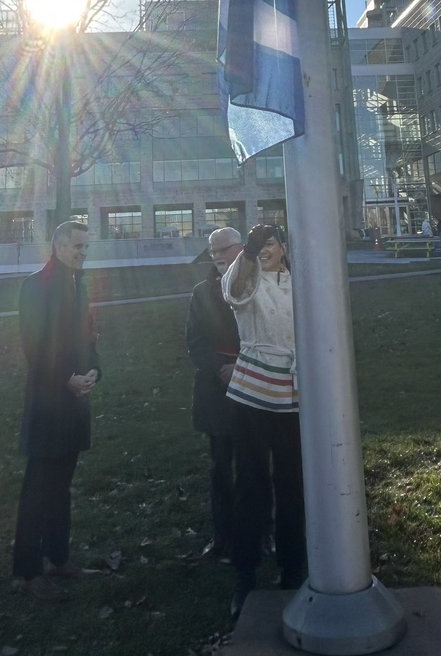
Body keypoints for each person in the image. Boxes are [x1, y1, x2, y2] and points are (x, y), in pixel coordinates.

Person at [12, 220, 100, 600]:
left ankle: (58, 557)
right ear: (59, 246)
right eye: (77, 246)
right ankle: (28, 570)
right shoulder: (35, 287)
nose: (82, 253)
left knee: (61, 485)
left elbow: (88, 335)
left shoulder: (78, 287)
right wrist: (66, 377)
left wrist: (95, 369)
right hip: (49, 401)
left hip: (74, 400)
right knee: (38, 487)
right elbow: (35, 345)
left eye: (85, 247)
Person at [222, 223, 303, 619]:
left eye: (271, 243)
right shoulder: (247, 277)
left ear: (284, 248)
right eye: (260, 245)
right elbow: (235, 288)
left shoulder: (298, 281)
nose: (266, 250)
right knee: (251, 486)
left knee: (293, 487)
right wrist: (249, 252)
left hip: (293, 397)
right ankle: (246, 575)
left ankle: (293, 570)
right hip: (253, 393)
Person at [185, 227, 244, 561]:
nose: (219, 256)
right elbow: (195, 341)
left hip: (255, 384)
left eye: (224, 249)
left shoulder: (257, 284)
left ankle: (260, 530)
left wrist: (244, 367)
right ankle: (222, 535)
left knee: (254, 466)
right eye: (213, 251)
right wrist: (220, 369)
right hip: (216, 388)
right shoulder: (201, 293)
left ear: (240, 249)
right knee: (221, 467)